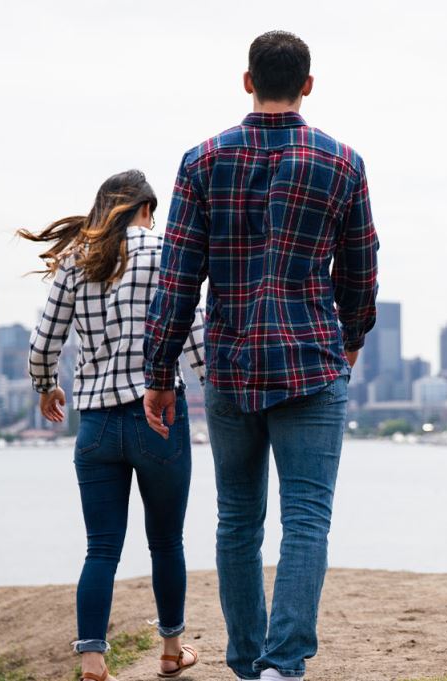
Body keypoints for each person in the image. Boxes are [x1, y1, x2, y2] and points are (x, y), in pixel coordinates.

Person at [142, 30, 379, 681]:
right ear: (307, 85)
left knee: (237, 519)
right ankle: (281, 665)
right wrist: (351, 338)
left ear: (247, 81)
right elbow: (361, 271)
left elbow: (178, 278)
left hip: (231, 364)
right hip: (310, 363)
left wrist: (161, 374)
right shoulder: (342, 163)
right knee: (306, 518)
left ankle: (248, 662)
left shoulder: (201, 161)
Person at [21, 169, 206, 681]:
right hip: (159, 418)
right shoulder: (166, 253)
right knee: (166, 541)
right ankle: (171, 651)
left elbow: (44, 343)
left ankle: (93, 661)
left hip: (96, 424)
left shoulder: (76, 260)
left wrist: (45, 386)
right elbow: (190, 327)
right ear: (146, 208)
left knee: (101, 547)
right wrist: (218, 384)